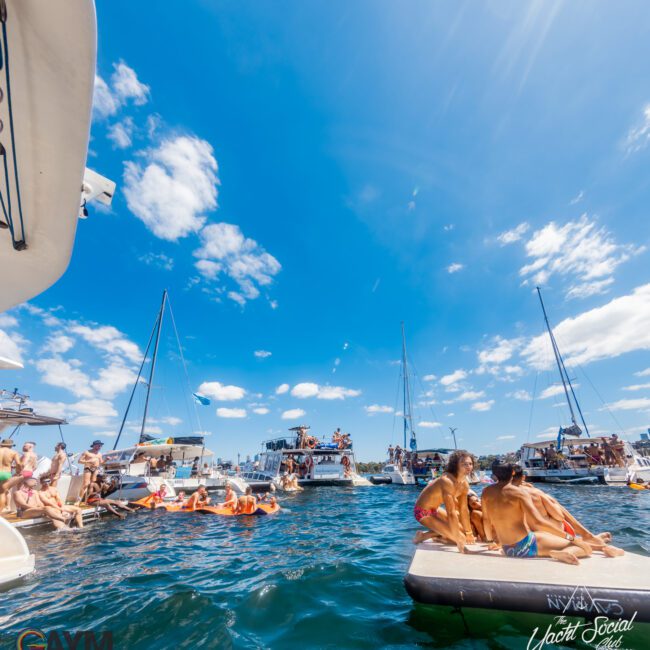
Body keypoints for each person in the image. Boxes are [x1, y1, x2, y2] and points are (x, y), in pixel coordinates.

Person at [482, 462, 595, 564]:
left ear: (494, 474)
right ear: (512, 472)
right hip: (525, 546)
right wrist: (571, 538)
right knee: (585, 547)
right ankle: (561, 553)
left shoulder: (486, 492)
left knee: (545, 535)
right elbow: (538, 522)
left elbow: (486, 520)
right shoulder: (519, 493)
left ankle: (561, 549)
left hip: (507, 548)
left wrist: (490, 541)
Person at [511, 467, 616, 549]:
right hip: (551, 532)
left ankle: (588, 537)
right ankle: (588, 537)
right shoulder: (534, 492)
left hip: (528, 535)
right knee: (550, 500)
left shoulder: (501, 494)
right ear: (523, 478)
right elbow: (559, 516)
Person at [413, 450, 476, 552]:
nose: (468, 466)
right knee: (460, 539)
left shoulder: (464, 484)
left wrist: (469, 533)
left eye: (470, 464)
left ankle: (427, 535)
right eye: (464, 464)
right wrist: (458, 540)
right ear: (456, 465)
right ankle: (425, 536)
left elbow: (464, 509)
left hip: (435, 510)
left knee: (463, 534)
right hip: (422, 512)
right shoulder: (447, 481)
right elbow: (451, 513)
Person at [0, 438, 21, 512]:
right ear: (11, 445)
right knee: (2, 493)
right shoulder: (14, 452)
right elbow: (18, 463)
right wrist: (18, 471)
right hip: (6, 473)